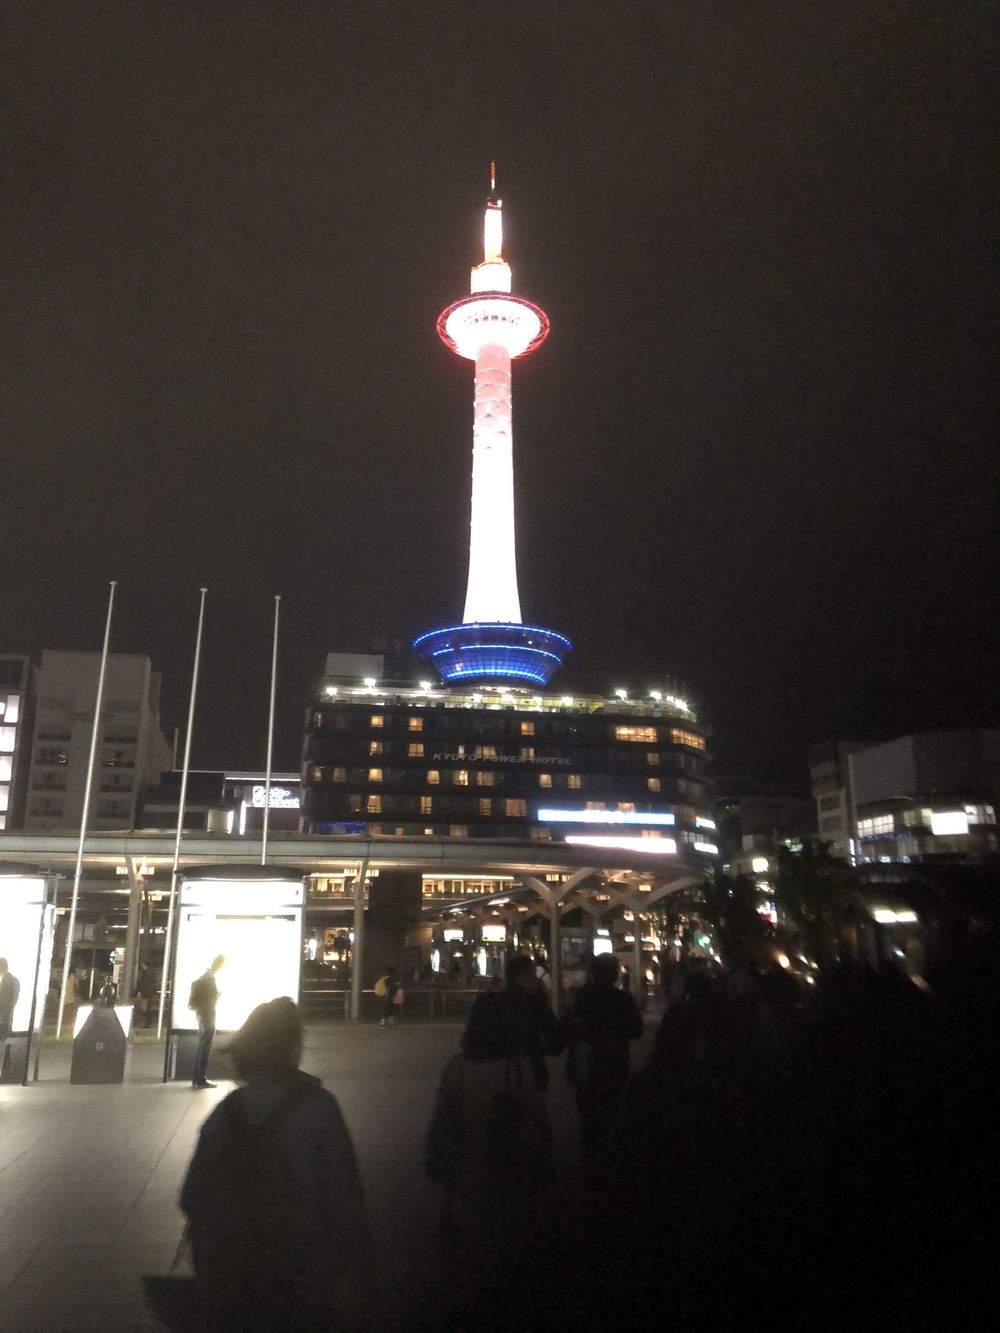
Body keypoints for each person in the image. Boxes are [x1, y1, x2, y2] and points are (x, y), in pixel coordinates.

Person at [179, 997, 373, 1330]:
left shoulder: (226, 1113)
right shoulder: (321, 1108)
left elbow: (191, 1196)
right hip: (304, 1267)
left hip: (237, 1269)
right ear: (294, 1046)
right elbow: (346, 1194)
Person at [563, 953, 643, 1171]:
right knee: (611, 1112)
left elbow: (569, 1026)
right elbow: (637, 1030)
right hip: (614, 1065)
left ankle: (590, 1162)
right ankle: (609, 1163)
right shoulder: (622, 1000)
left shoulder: (582, 997)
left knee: (588, 1117)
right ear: (615, 974)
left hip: (586, 1065)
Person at [190, 954, 224, 1089]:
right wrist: (217, 996)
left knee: (202, 1046)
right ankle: (200, 1079)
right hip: (207, 1014)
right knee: (205, 1047)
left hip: (201, 1013)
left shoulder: (205, 976)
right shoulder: (210, 979)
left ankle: (197, 1078)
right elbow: (210, 999)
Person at [0, 958, 21, 1076]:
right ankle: (5, 1066)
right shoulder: (15, 980)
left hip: (2, 1018)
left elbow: (2, 1002)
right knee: (3, 1041)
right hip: (7, 1018)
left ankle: (4, 1067)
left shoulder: (5, 982)